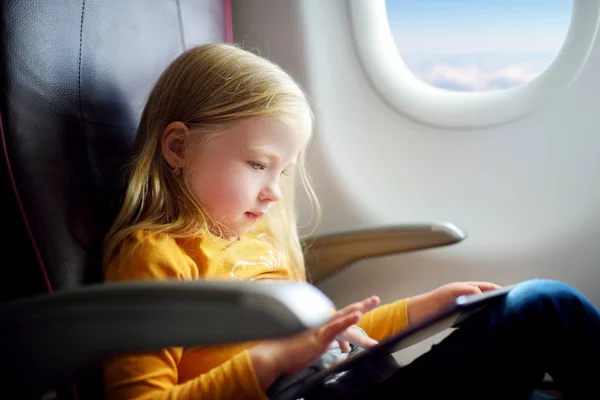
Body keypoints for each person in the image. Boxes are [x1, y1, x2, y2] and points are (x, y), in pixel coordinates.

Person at [101, 43, 600, 400]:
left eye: (284, 171)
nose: (274, 191)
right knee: (544, 308)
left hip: (359, 380)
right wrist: (272, 361)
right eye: (257, 164)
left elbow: (337, 338)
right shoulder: (156, 255)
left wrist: (424, 310)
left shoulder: (258, 246)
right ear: (178, 148)